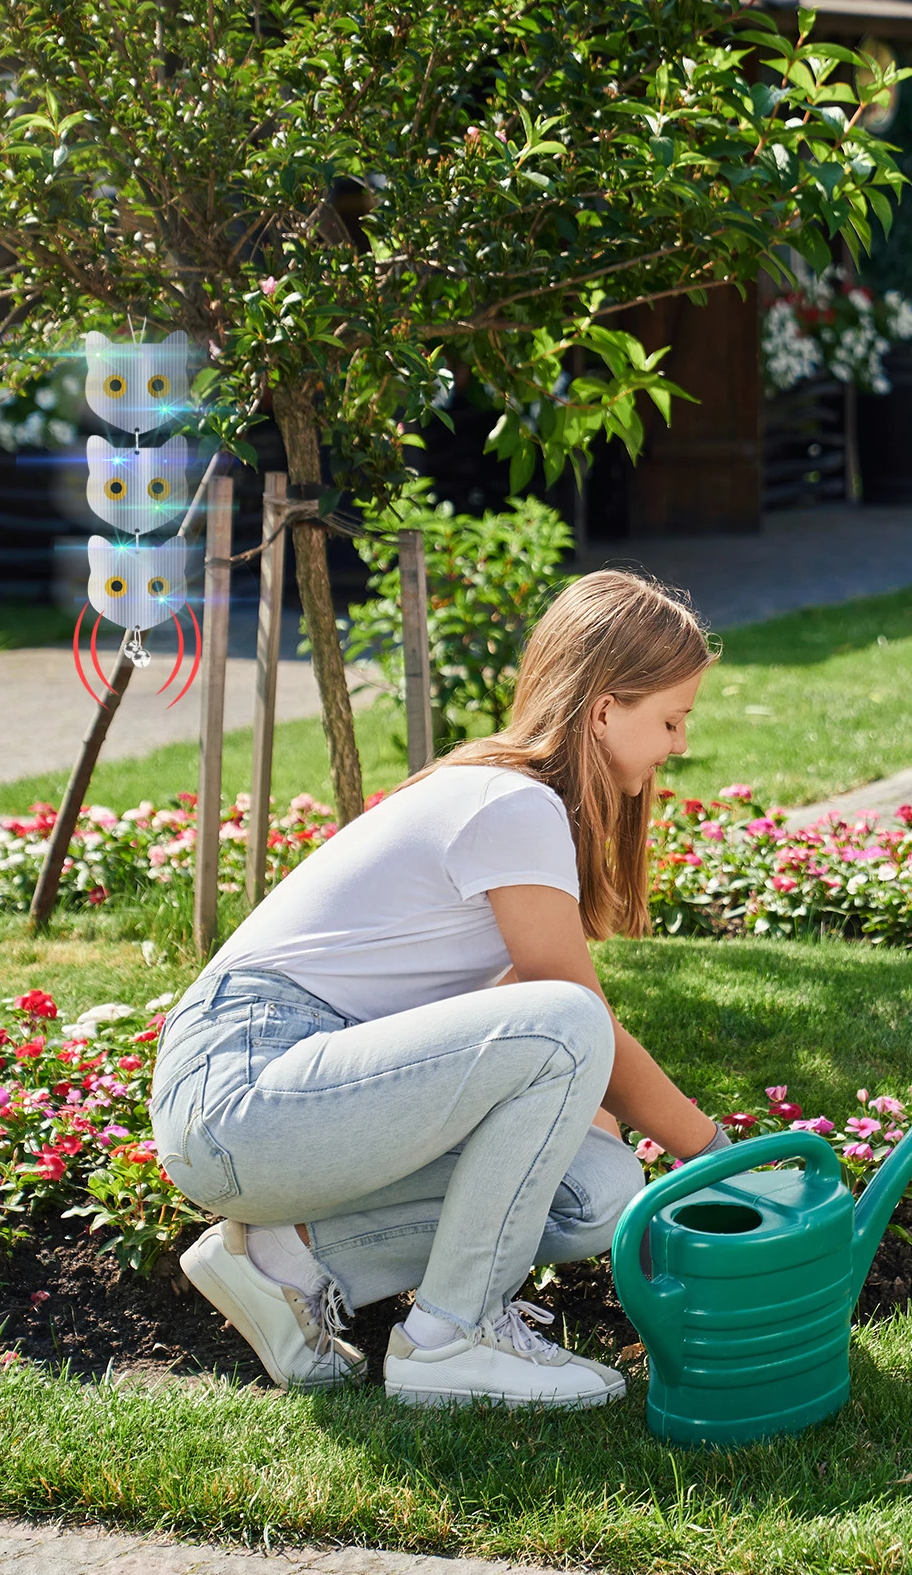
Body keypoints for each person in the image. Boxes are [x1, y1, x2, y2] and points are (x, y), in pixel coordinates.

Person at [148, 570, 728, 1409]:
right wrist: (714, 1157)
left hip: (288, 1104)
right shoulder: (513, 805)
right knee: (570, 1022)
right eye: (671, 720)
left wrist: (605, 1136)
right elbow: (574, 1020)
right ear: (605, 709)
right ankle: (454, 1336)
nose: (678, 744)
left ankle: (282, 1262)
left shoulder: (520, 811)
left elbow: (520, 1053)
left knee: (598, 1190)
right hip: (243, 1084)